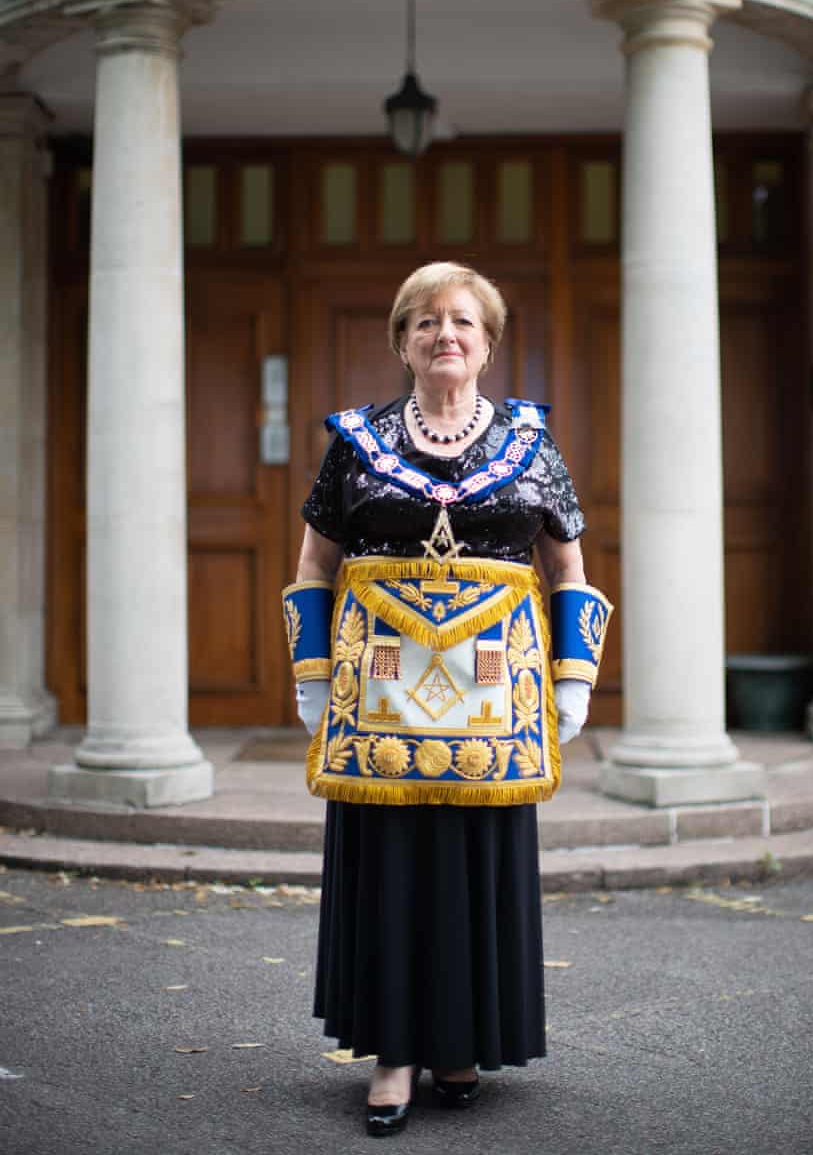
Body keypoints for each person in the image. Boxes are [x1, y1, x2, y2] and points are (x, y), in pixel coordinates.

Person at [283, 261, 611, 1137]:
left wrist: (574, 680)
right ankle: (393, 1055)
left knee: (475, 866)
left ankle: (462, 1042)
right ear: (402, 341)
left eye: (462, 321)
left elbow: (569, 568)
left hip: (496, 706)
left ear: (489, 343)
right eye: (425, 322)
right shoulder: (354, 442)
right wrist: (312, 676)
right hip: (380, 703)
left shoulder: (533, 444)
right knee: (390, 866)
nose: (445, 335)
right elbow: (315, 566)